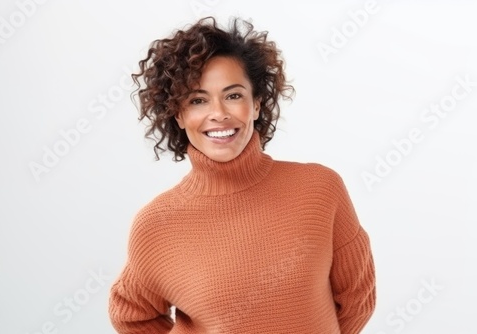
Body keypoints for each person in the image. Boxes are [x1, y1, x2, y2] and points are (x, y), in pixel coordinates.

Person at [109, 16, 376, 333]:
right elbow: (131, 315)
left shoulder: (320, 190)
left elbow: (358, 299)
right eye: (197, 100)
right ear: (178, 115)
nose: (218, 113)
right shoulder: (157, 224)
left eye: (233, 95)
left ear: (258, 104)